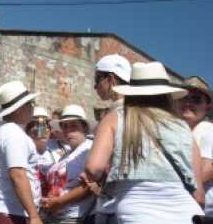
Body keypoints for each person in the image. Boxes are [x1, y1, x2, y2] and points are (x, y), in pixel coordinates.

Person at [83, 61, 204, 224]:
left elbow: (93, 168)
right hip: (188, 215)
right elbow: (199, 195)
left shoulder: (115, 118)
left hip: (138, 213)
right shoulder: (183, 127)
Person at [0, 81, 42, 224]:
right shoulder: (13, 134)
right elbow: (17, 174)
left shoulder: (4, 131)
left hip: (5, 210)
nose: (33, 107)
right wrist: (33, 215)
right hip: (9, 212)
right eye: (30, 103)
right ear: (19, 109)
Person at [88, 53, 131, 224]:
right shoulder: (142, 114)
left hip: (114, 207)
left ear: (111, 79)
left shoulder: (114, 116)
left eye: (98, 80)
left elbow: (93, 168)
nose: (94, 86)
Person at [40, 105, 95, 224]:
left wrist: (59, 201)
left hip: (77, 217)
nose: (68, 130)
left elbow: (90, 186)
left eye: (74, 126)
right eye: (64, 126)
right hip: (58, 217)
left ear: (84, 128)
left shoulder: (90, 149)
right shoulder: (67, 154)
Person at [178, 76, 213, 216]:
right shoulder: (180, 131)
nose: (188, 103)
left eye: (196, 99)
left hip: (199, 213)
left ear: (207, 107)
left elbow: (206, 170)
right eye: (184, 97)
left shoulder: (207, 129)